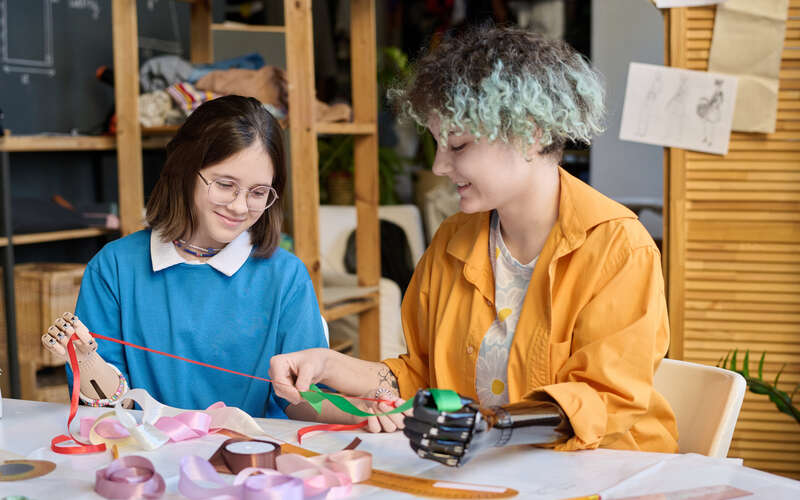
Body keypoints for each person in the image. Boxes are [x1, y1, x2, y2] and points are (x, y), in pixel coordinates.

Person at [269, 24, 679, 463]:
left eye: (458, 145)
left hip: (607, 475)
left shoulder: (617, 247)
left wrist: (488, 430)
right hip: (491, 476)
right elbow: (422, 379)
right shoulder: (452, 241)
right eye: (437, 142)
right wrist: (331, 366)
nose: (440, 164)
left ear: (532, 133)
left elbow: (603, 400)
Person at [41, 95, 327, 418]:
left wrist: (364, 407)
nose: (239, 206)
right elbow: (106, 413)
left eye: (258, 192)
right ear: (184, 171)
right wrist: (88, 361)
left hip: (256, 461)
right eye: (224, 185)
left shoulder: (286, 276)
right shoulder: (115, 268)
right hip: (145, 461)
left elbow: (311, 405)